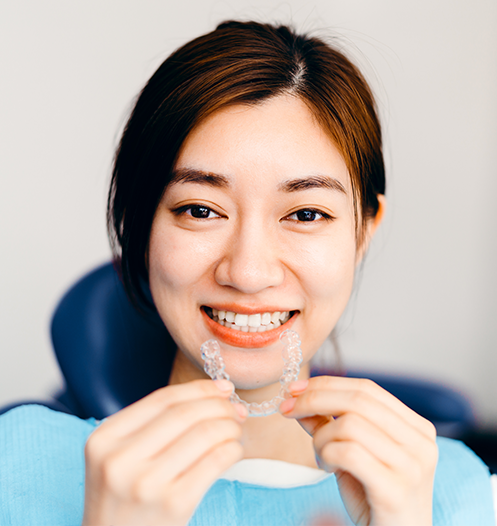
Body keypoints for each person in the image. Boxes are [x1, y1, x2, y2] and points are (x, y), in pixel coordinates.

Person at [0, 20, 494, 526]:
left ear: (363, 233)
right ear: (139, 228)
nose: (249, 272)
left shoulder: (461, 494)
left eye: (305, 214)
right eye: (200, 210)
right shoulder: (16, 466)